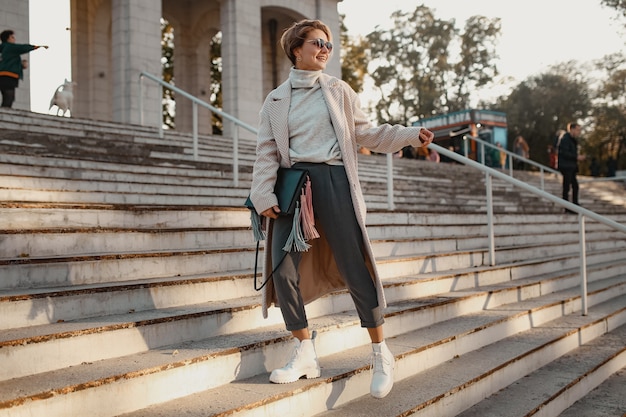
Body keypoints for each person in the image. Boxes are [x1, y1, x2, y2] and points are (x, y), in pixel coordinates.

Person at [248, 19, 434, 399]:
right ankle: (304, 351)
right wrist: (261, 193)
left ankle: (381, 352)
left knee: (354, 265)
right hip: (294, 189)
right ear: (296, 49)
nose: (325, 50)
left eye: (329, 45)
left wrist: (410, 136)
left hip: (334, 183)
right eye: (317, 43)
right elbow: (266, 151)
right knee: (281, 271)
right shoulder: (276, 100)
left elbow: (366, 132)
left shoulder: (339, 90)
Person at [0, 30, 48, 108]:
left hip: (2, 76)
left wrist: (21, 65)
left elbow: (7, 62)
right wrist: (38, 46)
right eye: (12, 37)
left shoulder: (3, 49)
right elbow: (23, 47)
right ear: (8, 39)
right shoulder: (10, 47)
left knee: (6, 96)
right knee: (9, 97)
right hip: (9, 76)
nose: (14, 39)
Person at [557, 122, 584, 213]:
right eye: (577, 130)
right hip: (566, 166)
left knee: (575, 186)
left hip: (571, 166)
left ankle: (574, 205)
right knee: (567, 186)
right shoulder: (565, 138)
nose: (579, 132)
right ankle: (567, 207)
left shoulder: (572, 140)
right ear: (572, 129)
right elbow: (564, 153)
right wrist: (576, 157)